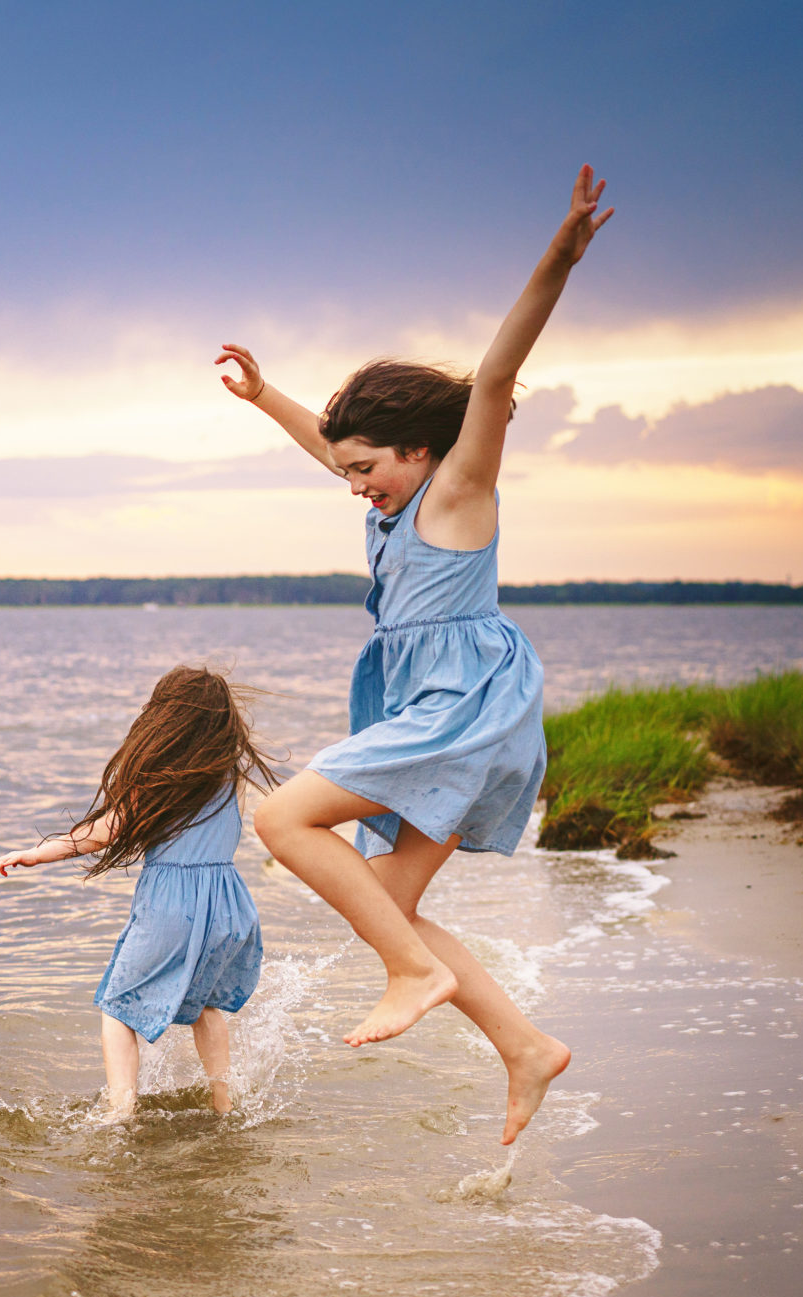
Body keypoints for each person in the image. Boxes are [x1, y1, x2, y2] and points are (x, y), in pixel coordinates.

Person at [222, 165, 613, 1145]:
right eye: (345, 470)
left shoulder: (455, 489)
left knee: (281, 816)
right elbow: (329, 441)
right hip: (440, 712)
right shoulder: (391, 491)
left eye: (364, 468)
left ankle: (413, 975)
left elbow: (492, 376)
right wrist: (267, 394)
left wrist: (557, 259)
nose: (352, 484)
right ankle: (523, 1045)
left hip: (460, 709)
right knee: (386, 902)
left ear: (418, 448)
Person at [0, 665, 275, 1117]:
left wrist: (36, 853)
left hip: (172, 910)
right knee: (204, 1009)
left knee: (117, 1010)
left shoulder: (162, 779)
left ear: (166, 721)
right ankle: (225, 1105)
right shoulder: (230, 776)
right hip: (229, 908)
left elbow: (104, 831)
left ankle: (120, 1113)